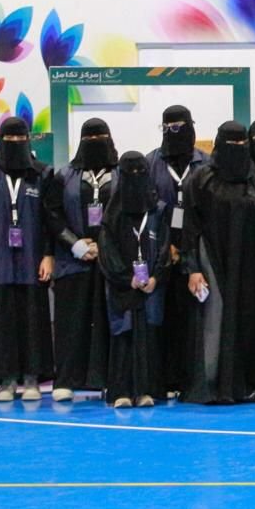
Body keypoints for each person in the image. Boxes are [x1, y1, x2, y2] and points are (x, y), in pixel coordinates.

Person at [180, 121, 255, 404]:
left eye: (241, 143)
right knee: (215, 320)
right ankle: (214, 384)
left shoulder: (254, 180)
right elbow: (190, 227)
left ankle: (249, 384)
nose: (237, 148)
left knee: (250, 320)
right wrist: (193, 269)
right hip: (213, 259)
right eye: (231, 143)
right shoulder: (201, 180)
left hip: (252, 263)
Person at [0, 117, 55, 403]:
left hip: (33, 259)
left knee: (33, 318)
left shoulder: (43, 173)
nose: (16, 143)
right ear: (0, 141)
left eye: (21, 138)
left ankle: (32, 377)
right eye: (10, 139)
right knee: (1, 320)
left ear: (28, 140)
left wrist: (48, 254)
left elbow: (50, 219)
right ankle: (6, 379)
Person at [44, 118, 117, 401]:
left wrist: (105, 246)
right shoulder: (64, 176)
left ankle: (107, 377)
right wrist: (74, 244)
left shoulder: (121, 174)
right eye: (90, 138)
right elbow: (52, 214)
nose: (95, 143)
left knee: (107, 320)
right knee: (71, 322)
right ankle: (66, 379)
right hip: (72, 261)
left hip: (110, 262)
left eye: (101, 137)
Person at [97, 152, 169, 408]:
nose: (136, 177)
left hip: (150, 286)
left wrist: (156, 276)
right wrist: (126, 278)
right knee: (124, 335)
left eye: (141, 172)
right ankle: (121, 392)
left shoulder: (158, 210)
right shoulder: (112, 214)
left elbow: (164, 247)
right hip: (123, 287)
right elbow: (107, 251)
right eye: (130, 173)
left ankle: (145, 390)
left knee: (148, 336)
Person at [146, 105, 207, 398]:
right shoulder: (150, 163)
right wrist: (165, 245)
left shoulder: (206, 164)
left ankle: (191, 379)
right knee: (163, 316)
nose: (175, 132)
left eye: (180, 126)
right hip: (161, 254)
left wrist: (191, 249)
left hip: (197, 253)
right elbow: (147, 211)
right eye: (168, 127)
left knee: (194, 318)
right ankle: (165, 379)